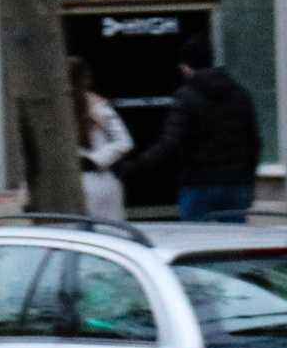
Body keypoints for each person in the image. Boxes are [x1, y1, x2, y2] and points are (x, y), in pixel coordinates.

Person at [121, 37, 260, 222]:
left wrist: (136, 166)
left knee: (195, 239)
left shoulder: (186, 97)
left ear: (185, 67)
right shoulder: (241, 94)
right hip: (236, 186)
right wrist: (247, 181)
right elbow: (254, 143)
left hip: (198, 184)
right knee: (234, 242)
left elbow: (169, 143)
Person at [71, 58, 133, 223]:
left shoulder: (95, 106)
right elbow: (124, 141)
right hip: (96, 182)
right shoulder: (98, 106)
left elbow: (123, 141)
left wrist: (93, 161)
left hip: (92, 181)